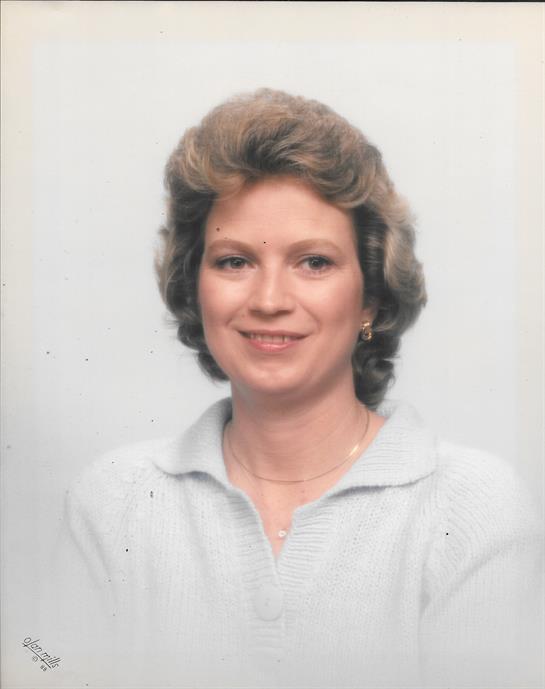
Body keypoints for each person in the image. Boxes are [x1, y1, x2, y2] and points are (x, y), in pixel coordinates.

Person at [47, 89, 542, 689]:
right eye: (234, 261)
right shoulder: (111, 503)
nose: (270, 300)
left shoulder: (475, 511)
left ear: (371, 296)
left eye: (314, 262)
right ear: (193, 286)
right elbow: (42, 664)